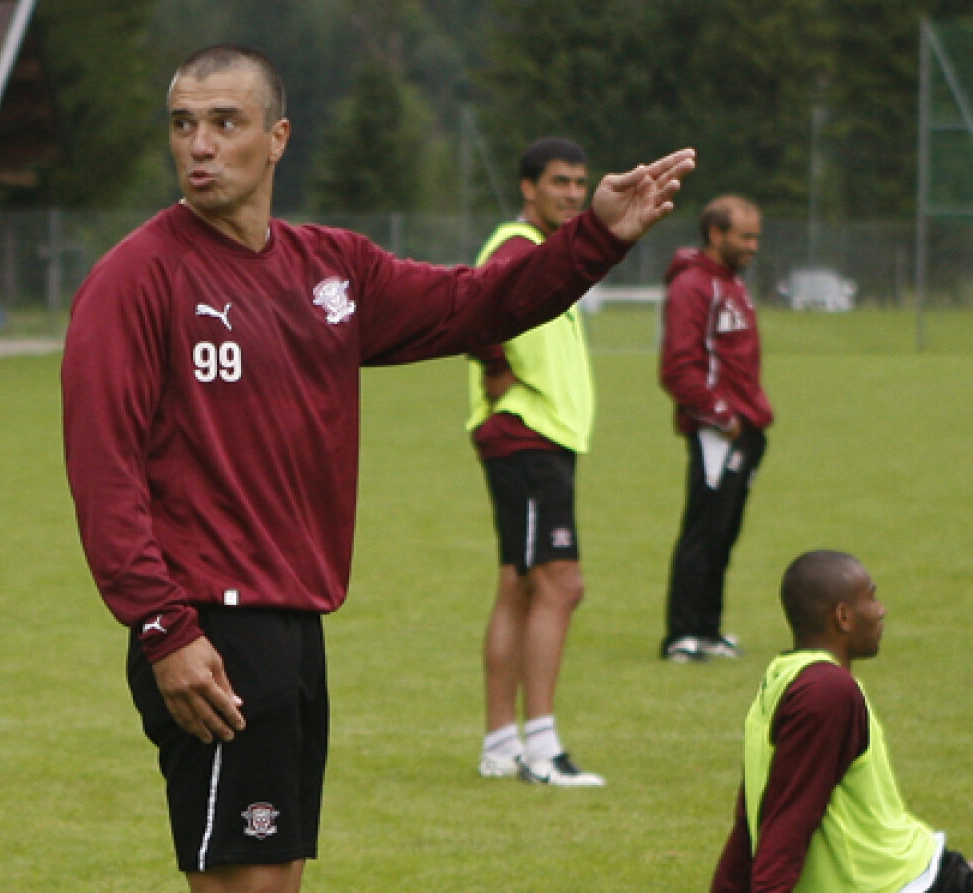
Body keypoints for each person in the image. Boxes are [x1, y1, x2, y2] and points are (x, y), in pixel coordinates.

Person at [61, 43, 694, 893]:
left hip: (295, 626)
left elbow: (477, 303)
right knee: (243, 885)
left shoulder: (331, 271)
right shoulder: (135, 279)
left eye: (225, 122)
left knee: (276, 878)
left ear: (278, 138)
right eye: (182, 124)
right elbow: (104, 474)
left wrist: (597, 236)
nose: (199, 145)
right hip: (208, 627)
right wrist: (164, 631)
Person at [711, 550, 973, 892]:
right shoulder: (827, 691)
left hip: (914, 867)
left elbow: (754, 814)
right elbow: (788, 821)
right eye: (872, 598)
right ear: (843, 617)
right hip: (895, 883)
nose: (881, 610)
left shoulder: (781, 680)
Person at [467, 137, 603, 787]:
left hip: (544, 437)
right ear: (529, 188)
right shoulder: (516, 249)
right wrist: (496, 368)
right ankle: (542, 750)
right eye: (559, 182)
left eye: (579, 183)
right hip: (526, 435)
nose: (572, 194)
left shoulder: (548, 253)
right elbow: (477, 311)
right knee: (560, 584)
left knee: (519, 587)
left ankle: (501, 744)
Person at [658, 195, 772, 663]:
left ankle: (708, 629)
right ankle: (682, 634)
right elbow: (678, 367)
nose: (753, 247)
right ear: (715, 234)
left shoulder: (733, 284)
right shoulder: (692, 286)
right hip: (717, 431)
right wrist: (721, 416)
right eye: (745, 237)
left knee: (724, 532)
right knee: (703, 531)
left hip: (744, 429)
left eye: (756, 237)